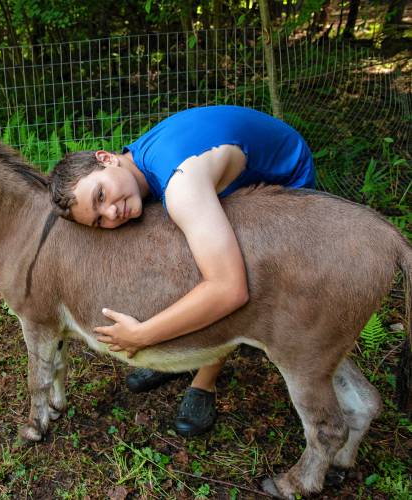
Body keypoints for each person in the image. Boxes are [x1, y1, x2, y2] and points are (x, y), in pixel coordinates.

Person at [49, 105, 315, 437]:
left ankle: (204, 380)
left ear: (106, 158)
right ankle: (181, 353)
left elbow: (229, 289)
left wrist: (143, 335)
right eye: (99, 219)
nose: (112, 212)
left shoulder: (182, 186)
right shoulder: (136, 161)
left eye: (101, 195)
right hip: (237, 164)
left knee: (228, 268)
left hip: (287, 182)